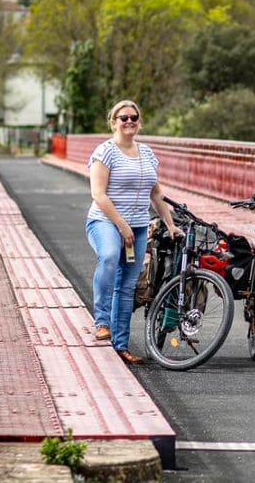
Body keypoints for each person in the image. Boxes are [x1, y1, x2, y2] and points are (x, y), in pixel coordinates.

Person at [86, 100, 179, 365]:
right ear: (113, 122)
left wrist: (170, 224)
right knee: (108, 256)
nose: (129, 122)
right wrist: (121, 225)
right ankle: (101, 321)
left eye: (134, 118)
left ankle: (121, 346)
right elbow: (98, 194)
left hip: (138, 227)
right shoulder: (105, 152)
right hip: (104, 221)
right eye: (123, 118)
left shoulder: (147, 153)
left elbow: (156, 192)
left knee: (127, 286)